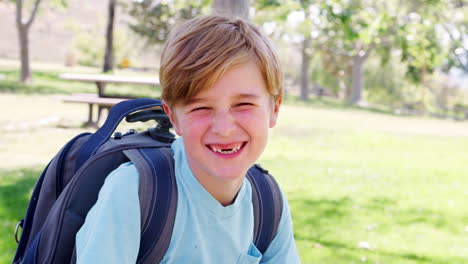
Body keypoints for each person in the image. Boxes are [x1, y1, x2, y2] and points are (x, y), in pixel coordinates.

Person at [75, 14, 300, 263]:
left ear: (275, 108)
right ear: (173, 117)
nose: (224, 128)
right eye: (201, 108)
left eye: (244, 104)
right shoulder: (134, 192)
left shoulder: (268, 202)